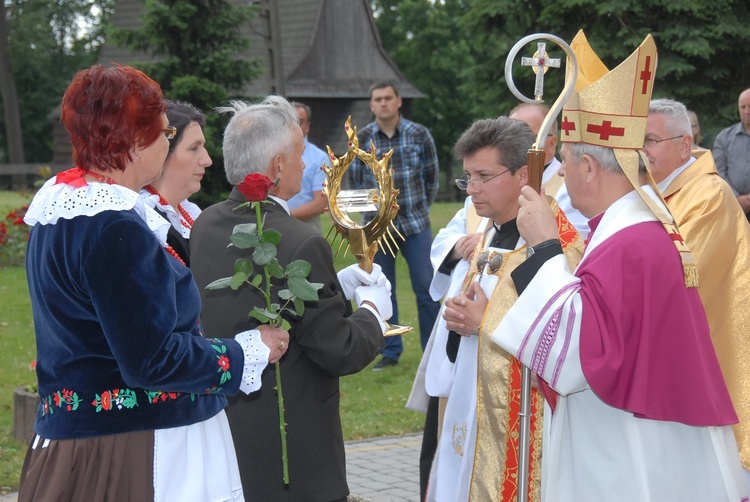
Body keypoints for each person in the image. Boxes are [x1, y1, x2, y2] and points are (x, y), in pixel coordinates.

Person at [446, 31, 747, 501]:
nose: (561, 174)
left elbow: (575, 356)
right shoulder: (632, 229)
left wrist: (545, 246)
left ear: (589, 167)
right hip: (640, 432)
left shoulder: (630, 242)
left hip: (630, 447)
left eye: (564, 163)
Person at [18, 65, 290, 502]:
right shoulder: (111, 226)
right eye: (163, 133)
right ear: (130, 139)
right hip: (137, 448)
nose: (168, 143)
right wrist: (246, 351)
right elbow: (153, 361)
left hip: (83, 441)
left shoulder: (61, 211)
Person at [190, 96, 390, 502]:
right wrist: (373, 310)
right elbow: (338, 348)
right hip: (293, 448)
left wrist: (337, 282)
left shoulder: (205, 222)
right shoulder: (302, 241)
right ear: (278, 166)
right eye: (300, 154)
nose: (307, 165)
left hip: (230, 435)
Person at [414, 117, 582, 501]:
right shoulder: (492, 228)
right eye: (467, 177)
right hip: (468, 396)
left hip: (519, 417)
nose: (471, 190)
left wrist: (485, 321)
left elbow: (560, 334)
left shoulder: (553, 241)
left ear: (524, 174)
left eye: (483, 177)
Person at [644, 98, 750, 488]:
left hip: (710, 344)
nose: (641, 151)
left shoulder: (708, 195)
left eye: (651, 140)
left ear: (684, 145)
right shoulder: (656, 190)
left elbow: (680, 274)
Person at [348, 80, 441, 368]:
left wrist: (419, 208)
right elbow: (354, 182)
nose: (383, 103)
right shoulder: (361, 139)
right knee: (379, 290)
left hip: (415, 225)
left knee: (427, 287)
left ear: (398, 101)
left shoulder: (419, 134)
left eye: (388, 98)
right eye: (377, 99)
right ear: (372, 104)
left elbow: (431, 177)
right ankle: (389, 352)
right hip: (377, 230)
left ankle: (431, 350)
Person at [140, 100, 212, 265]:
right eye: (194, 148)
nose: (207, 160)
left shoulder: (189, 213)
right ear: (163, 151)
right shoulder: (146, 219)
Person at [510, 102, 589, 239]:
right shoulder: (490, 180)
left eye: (527, 137)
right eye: (510, 137)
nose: (515, 145)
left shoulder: (569, 187)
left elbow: (570, 244)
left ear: (552, 143)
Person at [287, 102, 330, 232]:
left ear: (307, 127)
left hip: (307, 226)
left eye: (299, 122)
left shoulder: (320, 158)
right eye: (290, 121)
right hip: (274, 226)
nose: (294, 126)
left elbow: (320, 204)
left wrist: (283, 216)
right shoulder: (272, 154)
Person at [714, 87, 750, 220]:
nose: (747, 111)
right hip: (731, 207)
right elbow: (718, 172)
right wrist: (735, 198)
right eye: (743, 107)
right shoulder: (724, 138)